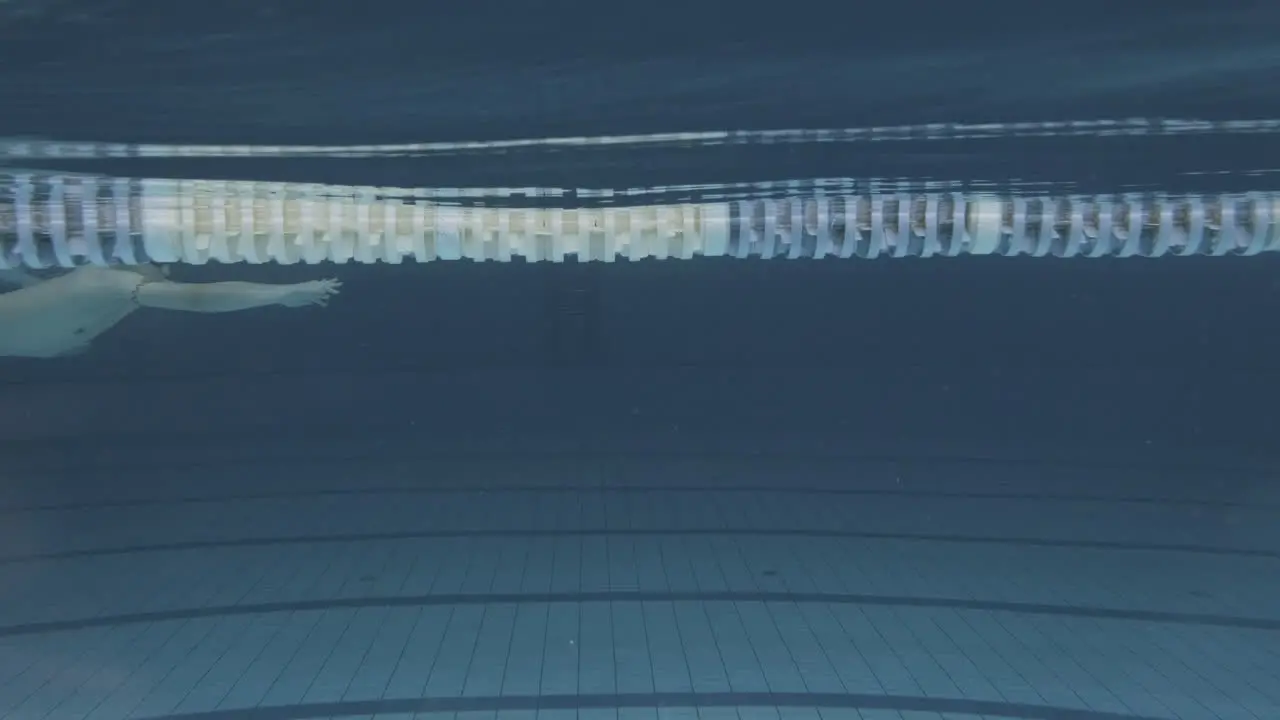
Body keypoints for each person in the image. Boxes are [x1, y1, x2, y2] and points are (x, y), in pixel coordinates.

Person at [0, 264, 341, 358]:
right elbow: (197, 299)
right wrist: (281, 293)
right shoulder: (103, 284)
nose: (165, 272)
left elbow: (43, 300)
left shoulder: (100, 294)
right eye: (162, 264)